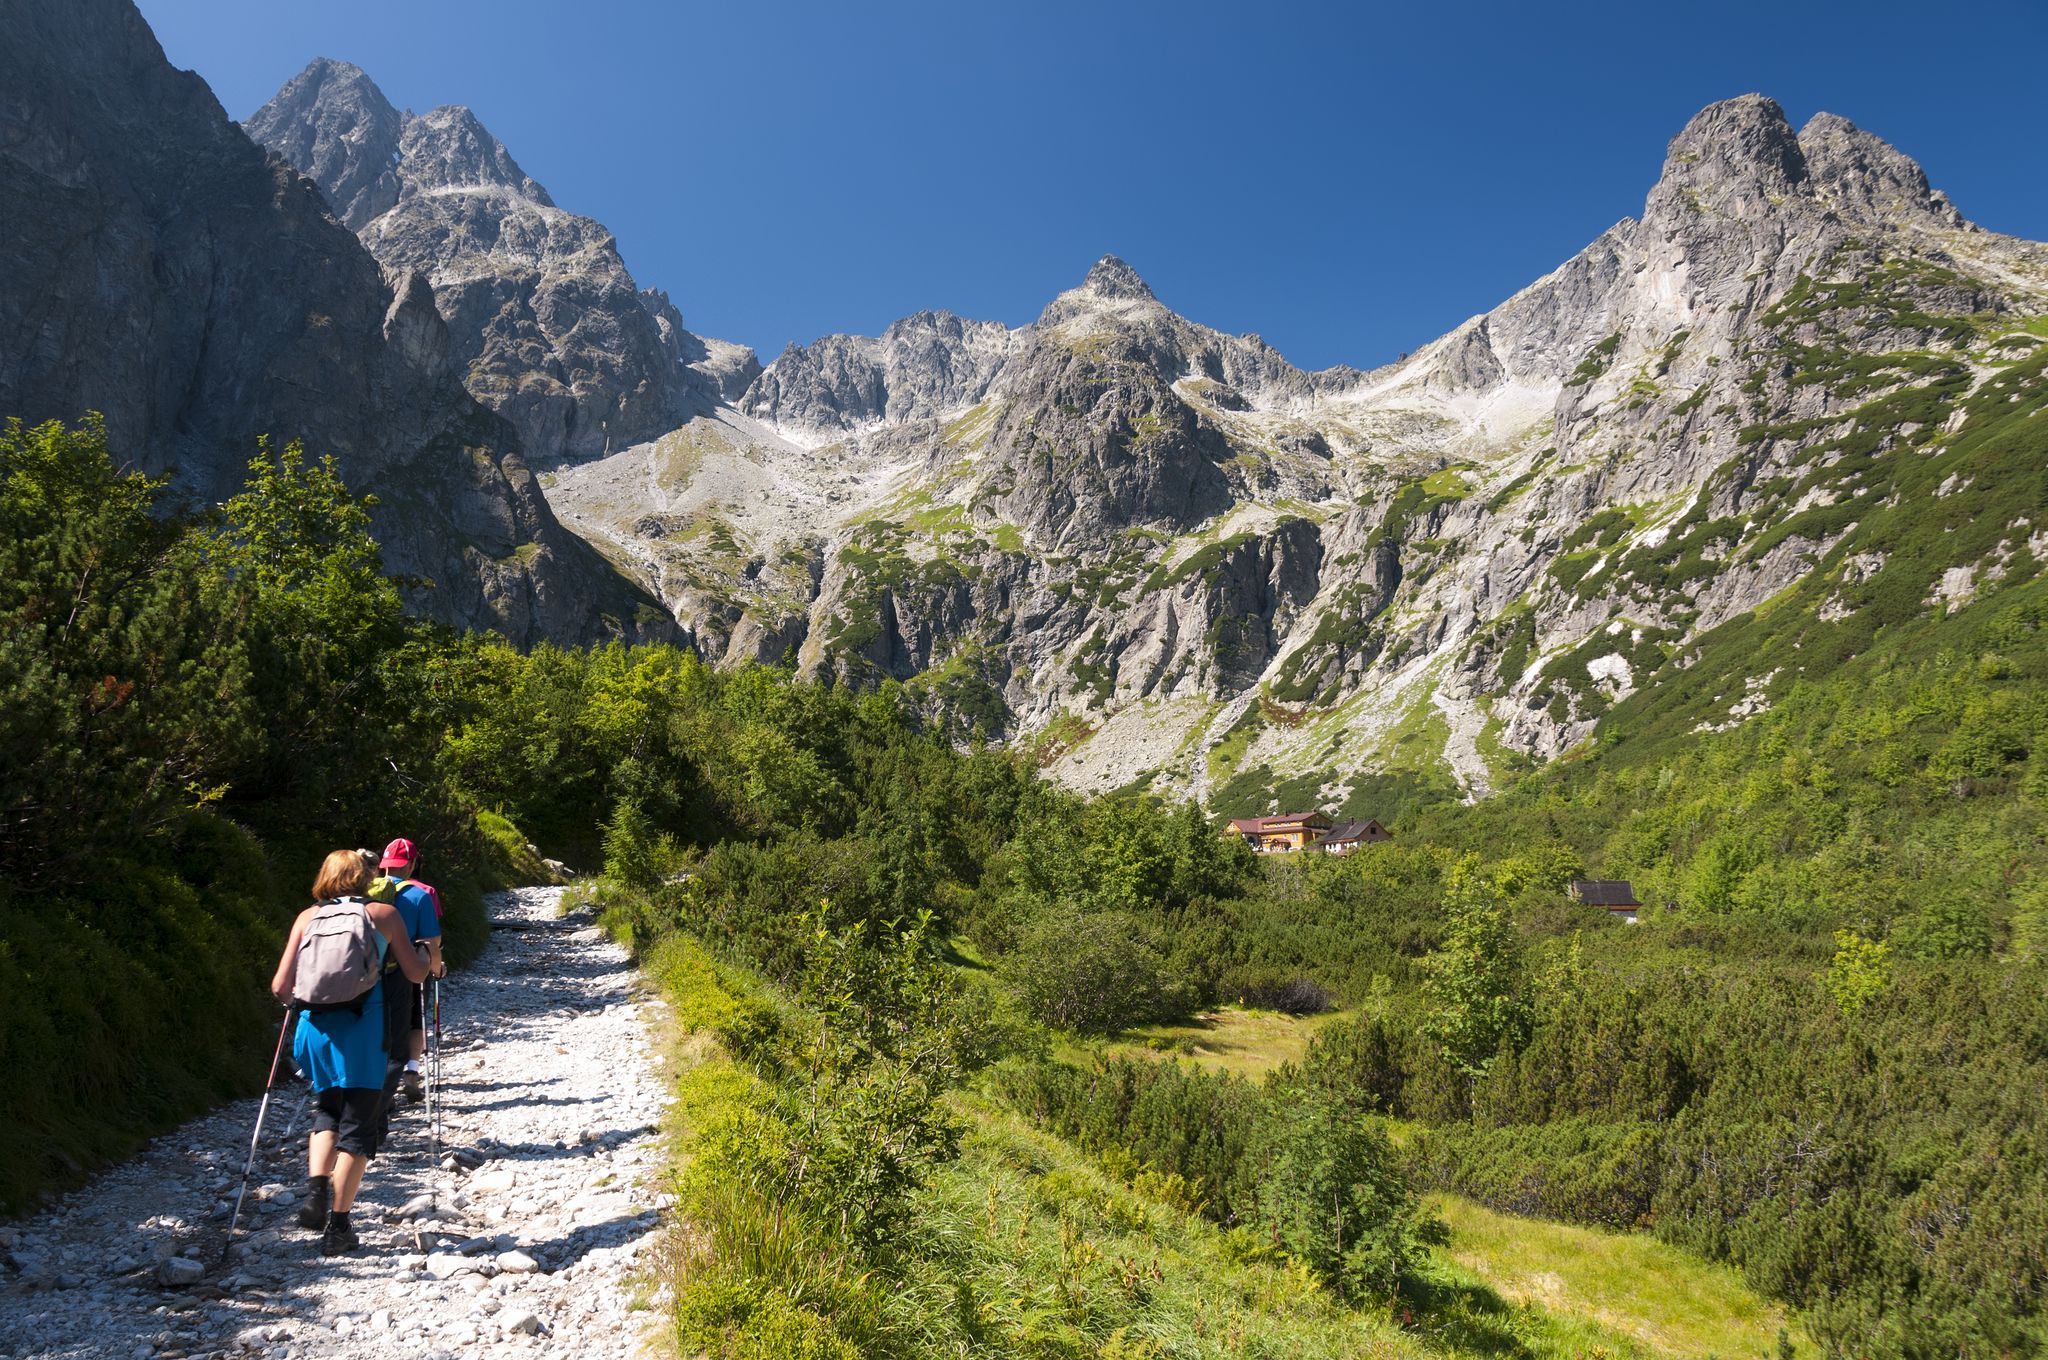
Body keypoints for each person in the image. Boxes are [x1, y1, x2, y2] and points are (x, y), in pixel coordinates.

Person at [269, 849, 430, 1254]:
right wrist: (426, 954)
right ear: (364, 878)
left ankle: (315, 1194)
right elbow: (414, 974)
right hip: (363, 1029)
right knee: (359, 1125)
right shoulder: (382, 915)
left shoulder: (307, 918)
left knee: (327, 1110)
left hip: (314, 1030)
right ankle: (338, 1228)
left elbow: (279, 987)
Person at [376, 838, 445, 1102]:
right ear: (413, 863)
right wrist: (436, 968)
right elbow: (431, 942)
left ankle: (370, 1089)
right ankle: (409, 1073)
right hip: (407, 972)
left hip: (364, 973)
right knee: (413, 1022)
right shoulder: (421, 894)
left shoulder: (364, 891)